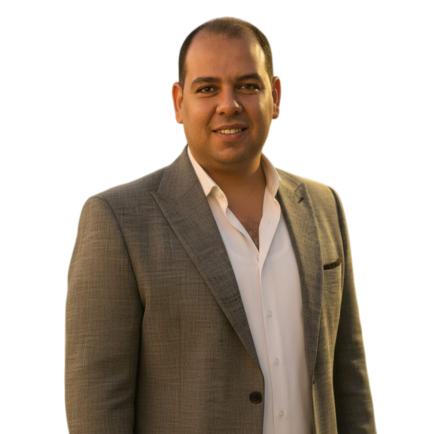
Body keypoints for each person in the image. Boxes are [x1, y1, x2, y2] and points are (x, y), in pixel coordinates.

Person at [64, 16, 377, 434]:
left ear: (275, 97)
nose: (229, 104)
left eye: (247, 85)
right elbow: (96, 402)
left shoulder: (325, 205)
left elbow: (349, 377)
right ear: (178, 102)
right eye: (207, 88)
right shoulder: (117, 220)